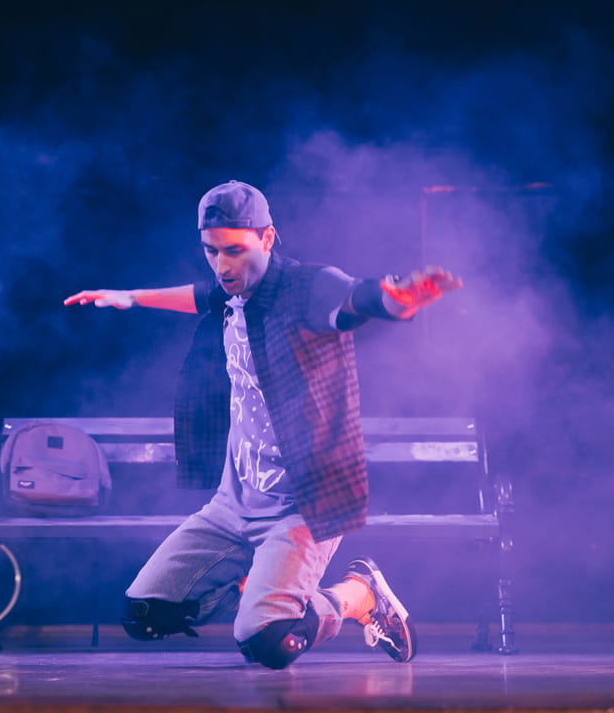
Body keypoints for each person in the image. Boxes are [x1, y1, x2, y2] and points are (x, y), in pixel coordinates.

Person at [64, 180, 462, 669]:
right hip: (232, 506)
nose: (222, 265)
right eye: (211, 251)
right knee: (144, 615)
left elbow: (359, 298)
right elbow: (199, 295)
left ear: (268, 238)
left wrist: (400, 300)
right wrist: (131, 297)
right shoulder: (230, 290)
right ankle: (264, 586)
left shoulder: (306, 288)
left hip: (304, 507)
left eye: (235, 250)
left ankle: (357, 595)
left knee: (267, 643)